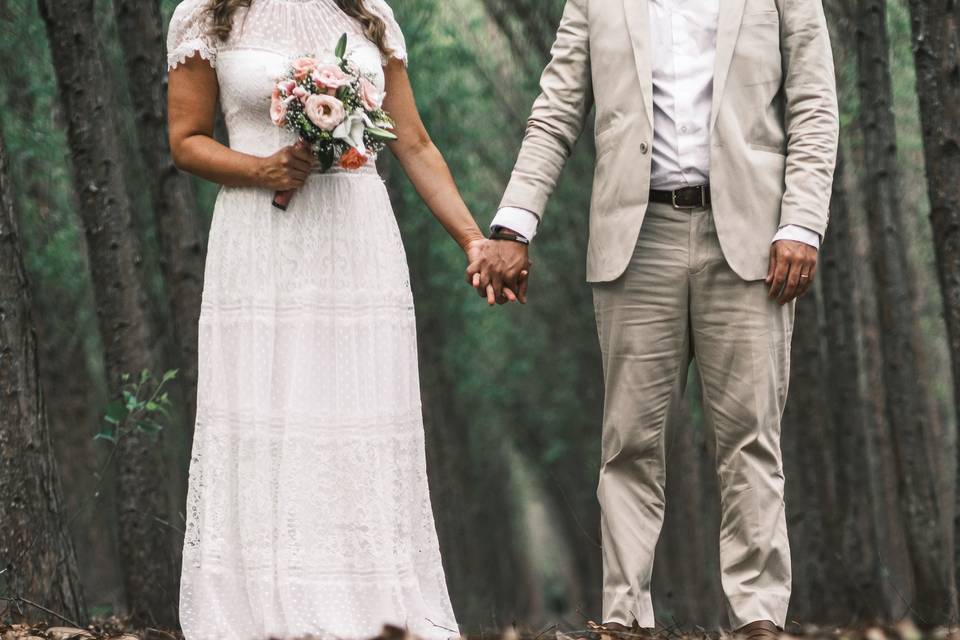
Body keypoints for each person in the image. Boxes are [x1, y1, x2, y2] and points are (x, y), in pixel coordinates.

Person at [474, 0, 839, 635]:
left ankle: (758, 620)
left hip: (753, 242)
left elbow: (814, 105)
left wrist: (802, 223)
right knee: (629, 443)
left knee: (751, 440)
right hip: (635, 238)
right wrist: (513, 224)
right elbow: (556, 109)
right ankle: (625, 618)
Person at [166, 0, 514, 636]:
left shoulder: (371, 16)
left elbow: (413, 141)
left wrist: (473, 240)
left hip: (356, 237)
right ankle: (265, 606)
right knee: (269, 413)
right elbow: (185, 140)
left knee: (352, 413)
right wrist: (260, 167)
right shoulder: (206, 15)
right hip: (260, 235)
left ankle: (370, 609)